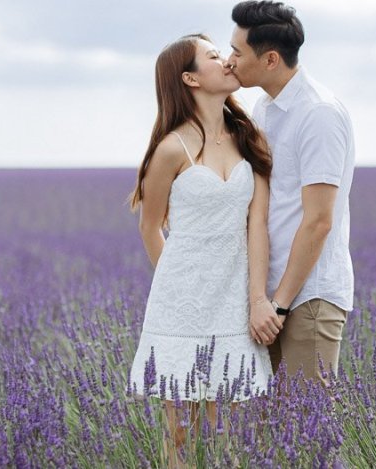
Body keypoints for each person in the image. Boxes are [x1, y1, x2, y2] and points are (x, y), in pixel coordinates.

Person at [127, 34, 278, 465]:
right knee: (179, 434)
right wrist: (176, 284)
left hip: (233, 301)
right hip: (181, 306)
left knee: (226, 436)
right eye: (214, 56)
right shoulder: (172, 148)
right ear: (190, 78)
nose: (227, 60)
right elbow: (150, 226)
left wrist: (256, 299)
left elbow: (257, 226)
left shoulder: (250, 138)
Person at [227, 0, 356, 386]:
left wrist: (280, 303)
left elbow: (318, 221)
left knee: (308, 430)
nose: (229, 60)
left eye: (237, 51)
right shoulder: (264, 108)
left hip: (306, 297)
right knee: (271, 435)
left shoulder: (318, 113)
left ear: (269, 59)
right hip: (270, 298)